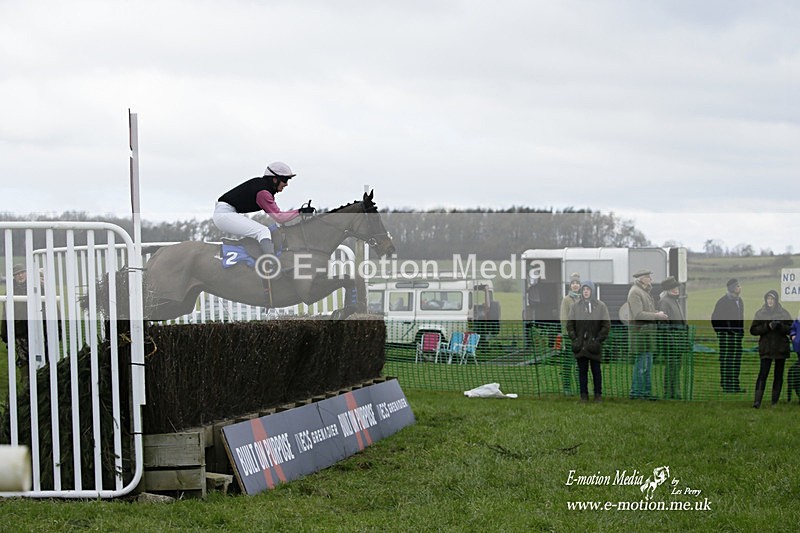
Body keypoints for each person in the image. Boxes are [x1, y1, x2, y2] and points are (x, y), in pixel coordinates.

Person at [213, 162, 315, 257]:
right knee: (263, 232)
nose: (286, 184)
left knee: (266, 231)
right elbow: (279, 217)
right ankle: (269, 262)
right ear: (275, 179)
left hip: (226, 213)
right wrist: (300, 212)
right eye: (285, 180)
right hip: (224, 214)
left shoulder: (263, 187)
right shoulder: (263, 192)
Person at [567, 280, 610, 403]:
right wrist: (575, 339)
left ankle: (598, 395)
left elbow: (606, 325)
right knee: (582, 372)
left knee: (596, 371)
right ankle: (583, 396)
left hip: (594, 346)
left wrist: (597, 341)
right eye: (584, 289)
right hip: (580, 346)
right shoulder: (575, 306)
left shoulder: (601, 306)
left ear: (592, 291)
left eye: (588, 289)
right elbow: (570, 324)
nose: (586, 292)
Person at [627, 269, 668, 400]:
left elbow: (647, 311)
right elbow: (638, 314)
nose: (650, 279)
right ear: (641, 279)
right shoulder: (635, 292)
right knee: (641, 365)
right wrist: (657, 315)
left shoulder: (644, 292)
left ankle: (646, 392)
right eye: (648, 277)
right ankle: (636, 392)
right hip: (640, 334)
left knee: (647, 366)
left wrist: (658, 313)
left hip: (648, 335)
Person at [749, 290, 792, 408]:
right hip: (766, 348)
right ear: (765, 299)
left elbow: (791, 329)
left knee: (778, 375)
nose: (770, 301)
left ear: (776, 300)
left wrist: (780, 326)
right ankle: (757, 402)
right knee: (763, 374)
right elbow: (753, 330)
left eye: (772, 299)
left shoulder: (784, 313)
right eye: (768, 298)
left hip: (780, 348)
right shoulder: (760, 313)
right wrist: (767, 326)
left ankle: (774, 402)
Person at [711, 278, 745, 393]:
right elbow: (715, 319)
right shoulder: (722, 301)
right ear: (732, 288)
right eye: (737, 286)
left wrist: (741, 331)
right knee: (727, 360)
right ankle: (726, 385)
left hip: (737, 337)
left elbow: (741, 318)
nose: (739, 288)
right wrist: (724, 331)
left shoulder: (740, 301)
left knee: (736, 360)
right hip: (726, 337)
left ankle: (735, 385)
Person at [657, 276, 687, 400]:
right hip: (670, 341)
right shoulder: (664, 302)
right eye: (673, 288)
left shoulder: (675, 300)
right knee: (671, 367)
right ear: (668, 290)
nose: (676, 289)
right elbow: (663, 324)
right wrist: (671, 340)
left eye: (676, 287)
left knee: (676, 367)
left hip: (678, 340)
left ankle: (675, 391)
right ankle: (668, 392)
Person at [0, 264, 30, 367]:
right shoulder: (10, 290)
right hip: (20, 331)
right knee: (24, 362)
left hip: (36, 330)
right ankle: (27, 382)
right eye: (17, 274)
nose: (20, 276)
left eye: (22, 273)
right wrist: (4, 334)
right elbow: (5, 314)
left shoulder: (35, 287)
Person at [559, 273, 582, 395]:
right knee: (568, 363)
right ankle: (567, 387)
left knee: (580, 363)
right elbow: (564, 318)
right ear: (570, 285)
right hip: (569, 337)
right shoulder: (566, 300)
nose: (575, 285)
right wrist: (567, 334)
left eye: (577, 283)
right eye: (573, 283)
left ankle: (580, 386)